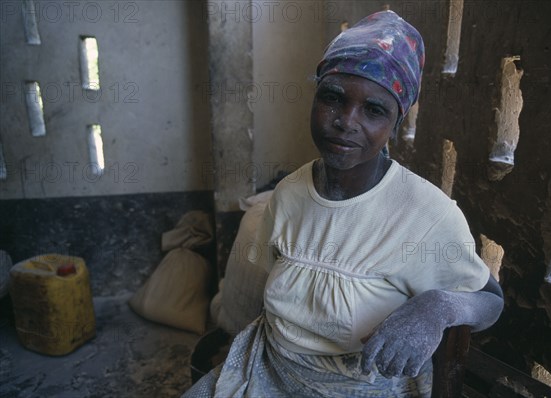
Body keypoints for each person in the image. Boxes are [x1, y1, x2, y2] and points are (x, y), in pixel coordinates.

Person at [182, 10, 503, 398]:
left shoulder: (426, 213)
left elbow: (491, 301)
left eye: (374, 110)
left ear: (395, 124)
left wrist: (437, 307)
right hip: (268, 368)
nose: (346, 121)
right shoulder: (289, 193)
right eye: (332, 98)